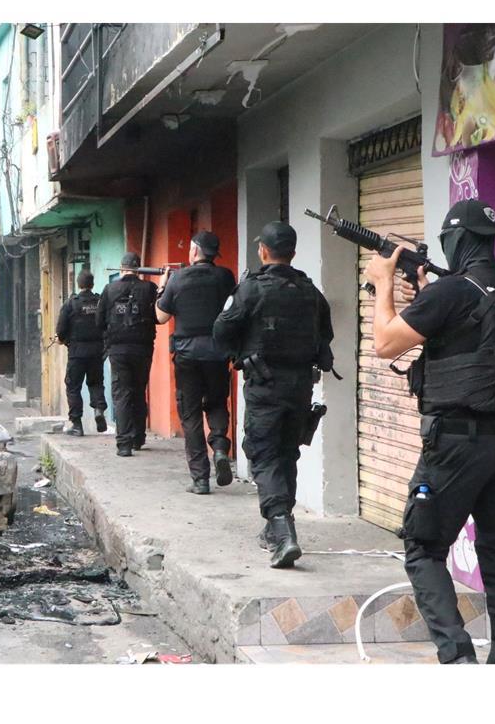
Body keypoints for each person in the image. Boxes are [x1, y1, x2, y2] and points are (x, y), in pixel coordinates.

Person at [365, 198, 495, 664]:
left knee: (424, 547)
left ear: (454, 240)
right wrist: (425, 292)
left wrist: (383, 282)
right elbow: (468, 339)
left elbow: (385, 343)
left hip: (457, 444)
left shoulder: (449, 294)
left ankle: (459, 658)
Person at [213, 222, 334, 568]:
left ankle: (282, 529)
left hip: (265, 386)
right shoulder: (310, 292)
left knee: (264, 455)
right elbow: (325, 334)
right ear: (292, 252)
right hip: (300, 387)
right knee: (286, 453)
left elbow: (221, 332)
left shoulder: (251, 289)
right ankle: (275, 528)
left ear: (263, 251)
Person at [156, 231, 237, 494]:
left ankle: (201, 479)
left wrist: (162, 287)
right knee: (216, 403)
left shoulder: (177, 280)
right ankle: (221, 448)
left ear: (193, 251)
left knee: (190, 414)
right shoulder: (225, 277)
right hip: (218, 352)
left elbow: (161, 317)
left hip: (187, 355)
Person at [97, 252, 159, 457]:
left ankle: (123, 444)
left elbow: (99, 321)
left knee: (122, 394)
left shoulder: (110, 289)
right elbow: (158, 315)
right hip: (142, 350)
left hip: (118, 350)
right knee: (139, 391)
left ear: (122, 268)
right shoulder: (149, 288)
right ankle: (138, 438)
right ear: (139, 268)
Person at [55, 270, 108, 436]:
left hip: (77, 353)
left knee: (73, 386)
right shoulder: (100, 302)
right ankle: (99, 410)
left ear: (79, 284)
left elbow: (61, 330)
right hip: (97, 351)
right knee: (96, 383)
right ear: (92, 284)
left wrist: (62, 339)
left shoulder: (71, 304)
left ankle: (77, 425)